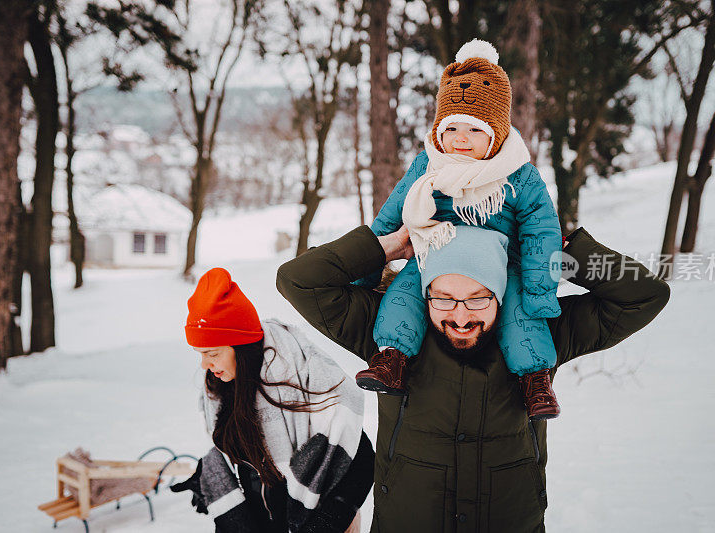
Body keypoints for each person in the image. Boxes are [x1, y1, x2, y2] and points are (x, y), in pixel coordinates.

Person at [276, 222, 670, 531]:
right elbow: (298, 279)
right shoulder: (386, 337)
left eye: (478, 299)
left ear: (500, 292)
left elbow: (645, 294)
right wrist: (388, 247)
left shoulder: (542, 335)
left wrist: (560, 251)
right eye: (443, 298)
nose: (461, 317)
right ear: (424, 293)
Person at [352, 39, 562, 421]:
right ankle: (392, 360)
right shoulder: (428, 165)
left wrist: (539, 290)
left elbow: (541, 231)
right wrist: (368, 267)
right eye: (451, 129)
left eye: (474, 130)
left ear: (496, 134)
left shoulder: (518, 174)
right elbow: (393, 212)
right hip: (435, 255)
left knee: (519, 315)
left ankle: (535, 381)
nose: (460, 139)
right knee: (403, 297)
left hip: (499, 267)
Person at [170, 267, 374, 533]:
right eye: (200, 353)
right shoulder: (222, 387)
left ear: (240, 346)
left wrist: (326, 523)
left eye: (212, 353)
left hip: (316, 519)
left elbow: (360, 456)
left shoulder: (301, 380)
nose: (205, 364)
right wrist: (210, 475)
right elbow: (238, 456)